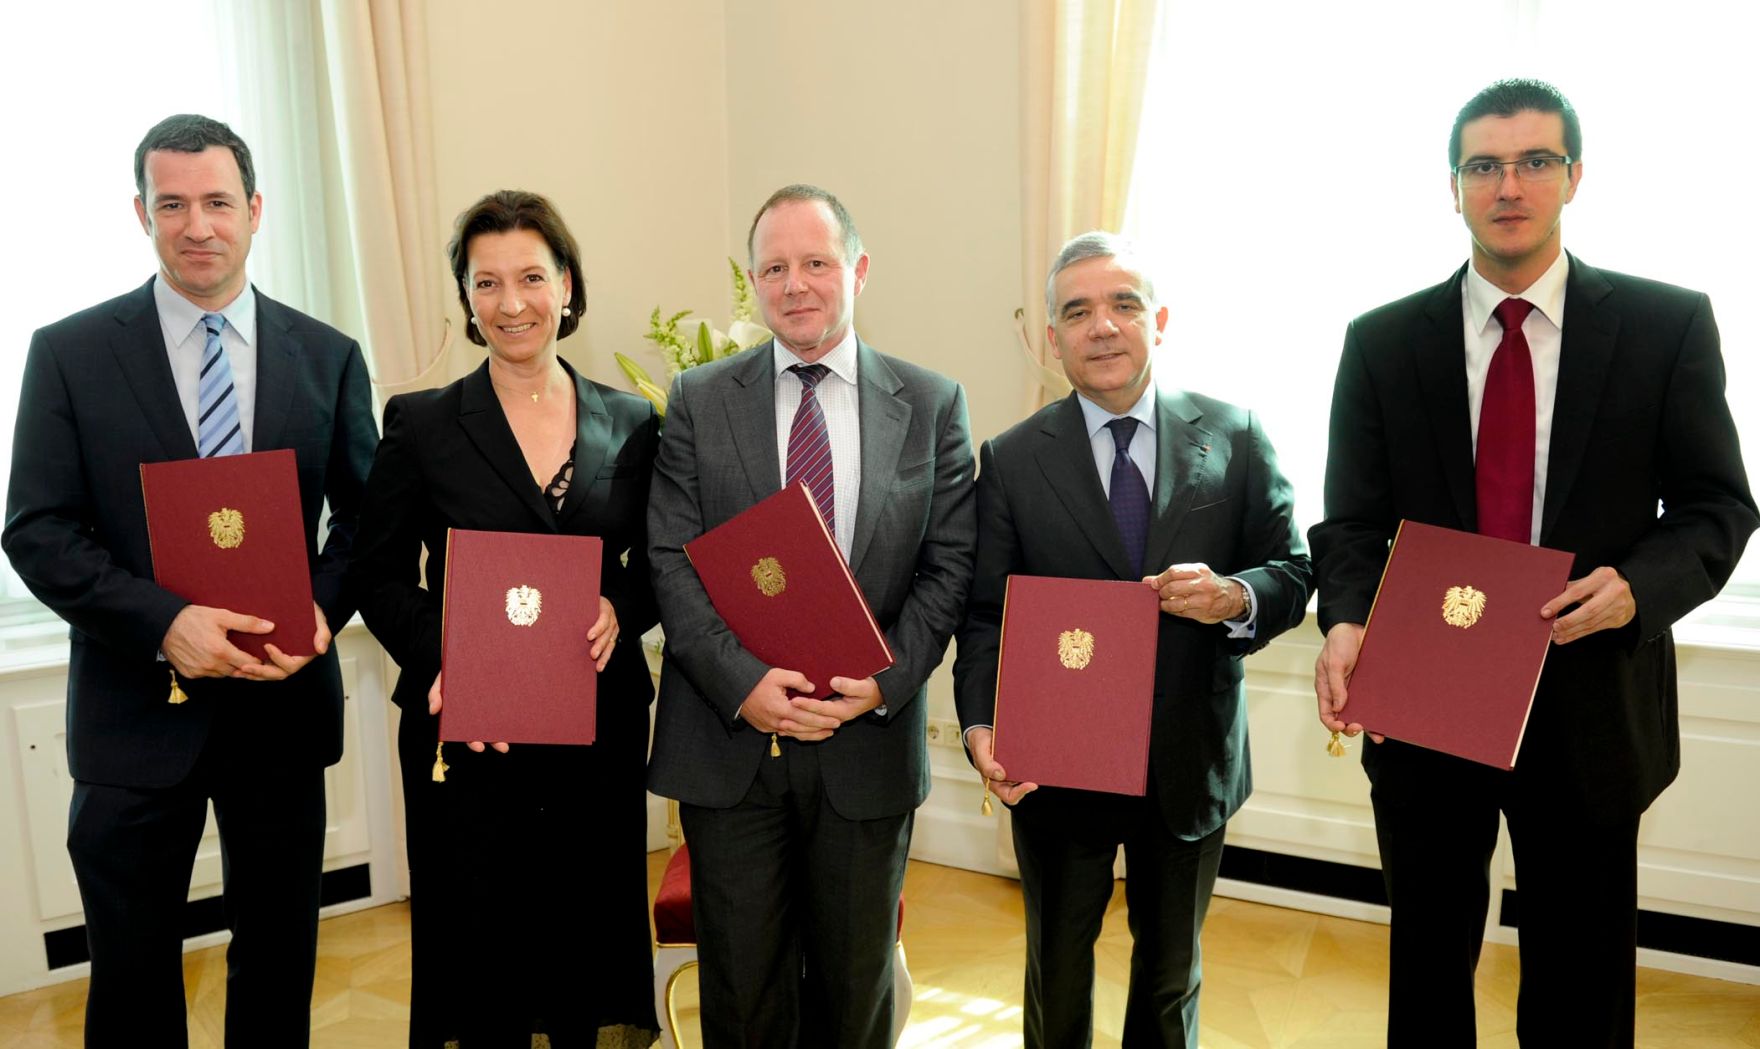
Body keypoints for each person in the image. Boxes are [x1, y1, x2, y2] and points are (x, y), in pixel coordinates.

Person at [1310, 78, 1758, 1047]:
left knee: (1580, 982)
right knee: (1427, 968)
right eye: (1483, 165)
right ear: (1452, 187)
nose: (1507, 185)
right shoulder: (1381, 342)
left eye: (1533, 162)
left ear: (1573, 176)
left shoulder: (1665, 326)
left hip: (1591, 699)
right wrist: (1344, 619)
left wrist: (1637, 587)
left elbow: (1717, 506)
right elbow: (1348, 522)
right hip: (1425, 699)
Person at [1, 114, 376, 1047]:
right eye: (172, 204)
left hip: (281, 704)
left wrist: (320, 610)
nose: (197, 225)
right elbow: (38, 528)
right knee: (130, 976)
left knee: (279, 960)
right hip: (134, 715)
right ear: (141, 213)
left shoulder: (328, 355)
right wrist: (164, 622)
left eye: (217, 202)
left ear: (255, 210)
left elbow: (366, 521)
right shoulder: (69, 354)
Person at [951, 232, 1312, 1048]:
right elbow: (986, 616)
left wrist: (1233, 596)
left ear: (1161, 320)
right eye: (1078, 311)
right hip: (1057, 767)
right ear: (1053, 338)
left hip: (1189, 759)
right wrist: (980, 724)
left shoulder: (1237, 433)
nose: (1103, 326)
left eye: (1123, 304)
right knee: (1056, 972)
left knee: (1169, 976)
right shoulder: (1011, 460)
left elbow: (1292, 570)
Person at [645, 184, 975, 1048]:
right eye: (774, 268)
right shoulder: (699, 399)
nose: (795, 284)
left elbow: (949, 568)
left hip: (866, 752)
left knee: (853, 997)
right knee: (742, 1000)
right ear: (754, 282)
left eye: (816, 263)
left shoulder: (932, 403)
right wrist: (743, 682)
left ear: (858, 271)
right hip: (730, 748)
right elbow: (671, 559)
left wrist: (886, 680)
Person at [349, 190, 661, 1047]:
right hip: (469, 728)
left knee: (585, 932)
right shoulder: (422, 423)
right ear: (466, 297)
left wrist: (621, 605)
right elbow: (377, 572)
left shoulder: (634, 422)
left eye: (530, 277)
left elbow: (659, 565)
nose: (510, 302)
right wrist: (448, 655)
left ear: (566, 285)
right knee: (481, 944)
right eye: (486, 282)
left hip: (595, 722)